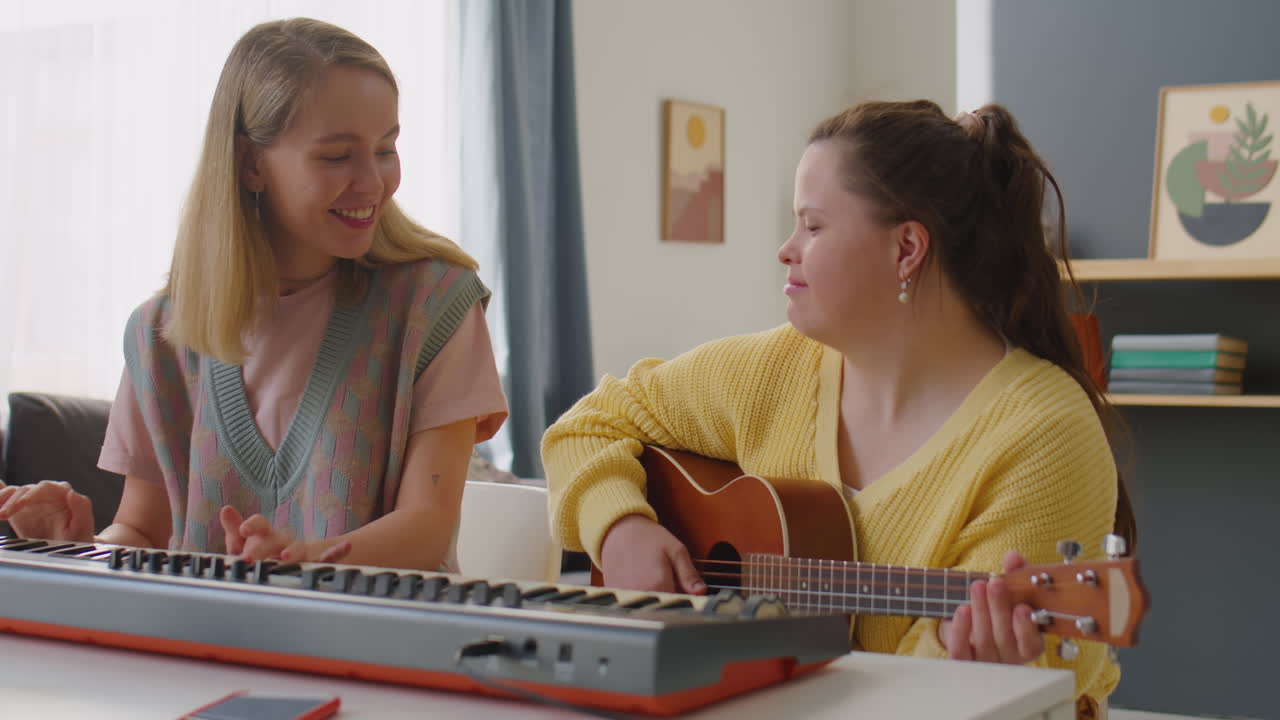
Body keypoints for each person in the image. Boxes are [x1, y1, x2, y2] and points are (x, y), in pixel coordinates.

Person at [541, 100, 1133, 716]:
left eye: (813, 225)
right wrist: (620, 528)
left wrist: (972, 672)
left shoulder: (1042, 434)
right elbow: (586, 425)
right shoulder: (776, 370)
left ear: (906, 249)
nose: (785, 249)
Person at [0, 18, 507, 573]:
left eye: (386, 148)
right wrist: (74, 550)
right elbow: (143, 530)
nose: (374, 181)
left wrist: (301, 564)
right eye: (337, 156)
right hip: (204, 653)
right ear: (250, 164)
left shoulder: (435, 304)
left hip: (379, 651)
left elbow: (427, 527)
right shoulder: (158, 335)